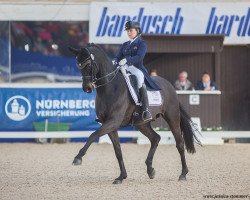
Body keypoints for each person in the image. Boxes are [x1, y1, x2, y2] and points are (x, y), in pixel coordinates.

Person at [112, 20, 160, 121]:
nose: (129, 33)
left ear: (137, 30)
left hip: (136, 68)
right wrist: (115, 61)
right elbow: (118, 56)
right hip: (123, 67)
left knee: (139, 79)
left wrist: (127, 59)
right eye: (128, 31)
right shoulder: (125, 44)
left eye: (131, 30)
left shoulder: (142, 43)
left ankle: (146, 109)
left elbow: (139, 57)